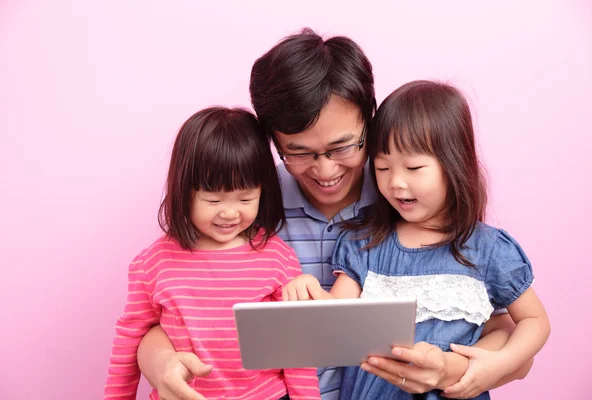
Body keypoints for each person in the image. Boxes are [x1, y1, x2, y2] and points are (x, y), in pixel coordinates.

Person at [135, 29, 534, 400]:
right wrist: (161, 365)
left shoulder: (411, 206)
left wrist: (451, 371)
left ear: (370, 121)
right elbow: (164, 318)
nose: (325, 171)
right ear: (272, 141)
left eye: (343, 147)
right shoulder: (242, 209)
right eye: (299, 152)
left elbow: (507, 337)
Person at [283, 80, 551, 399]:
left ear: (454, 164)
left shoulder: (488, 248)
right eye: (382, 168)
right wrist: (306, 292)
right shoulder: (363, 242)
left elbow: (534, 320)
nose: (396, 183)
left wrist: (499, 363)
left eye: (413, 167)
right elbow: (338, 316)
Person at [103, 107, 320, 400]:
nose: (229, 212)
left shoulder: (278, 258)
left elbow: (296, 346)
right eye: (213, 199)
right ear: (185, 192)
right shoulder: (153, 263)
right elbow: (131, 337)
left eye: (245, 198)